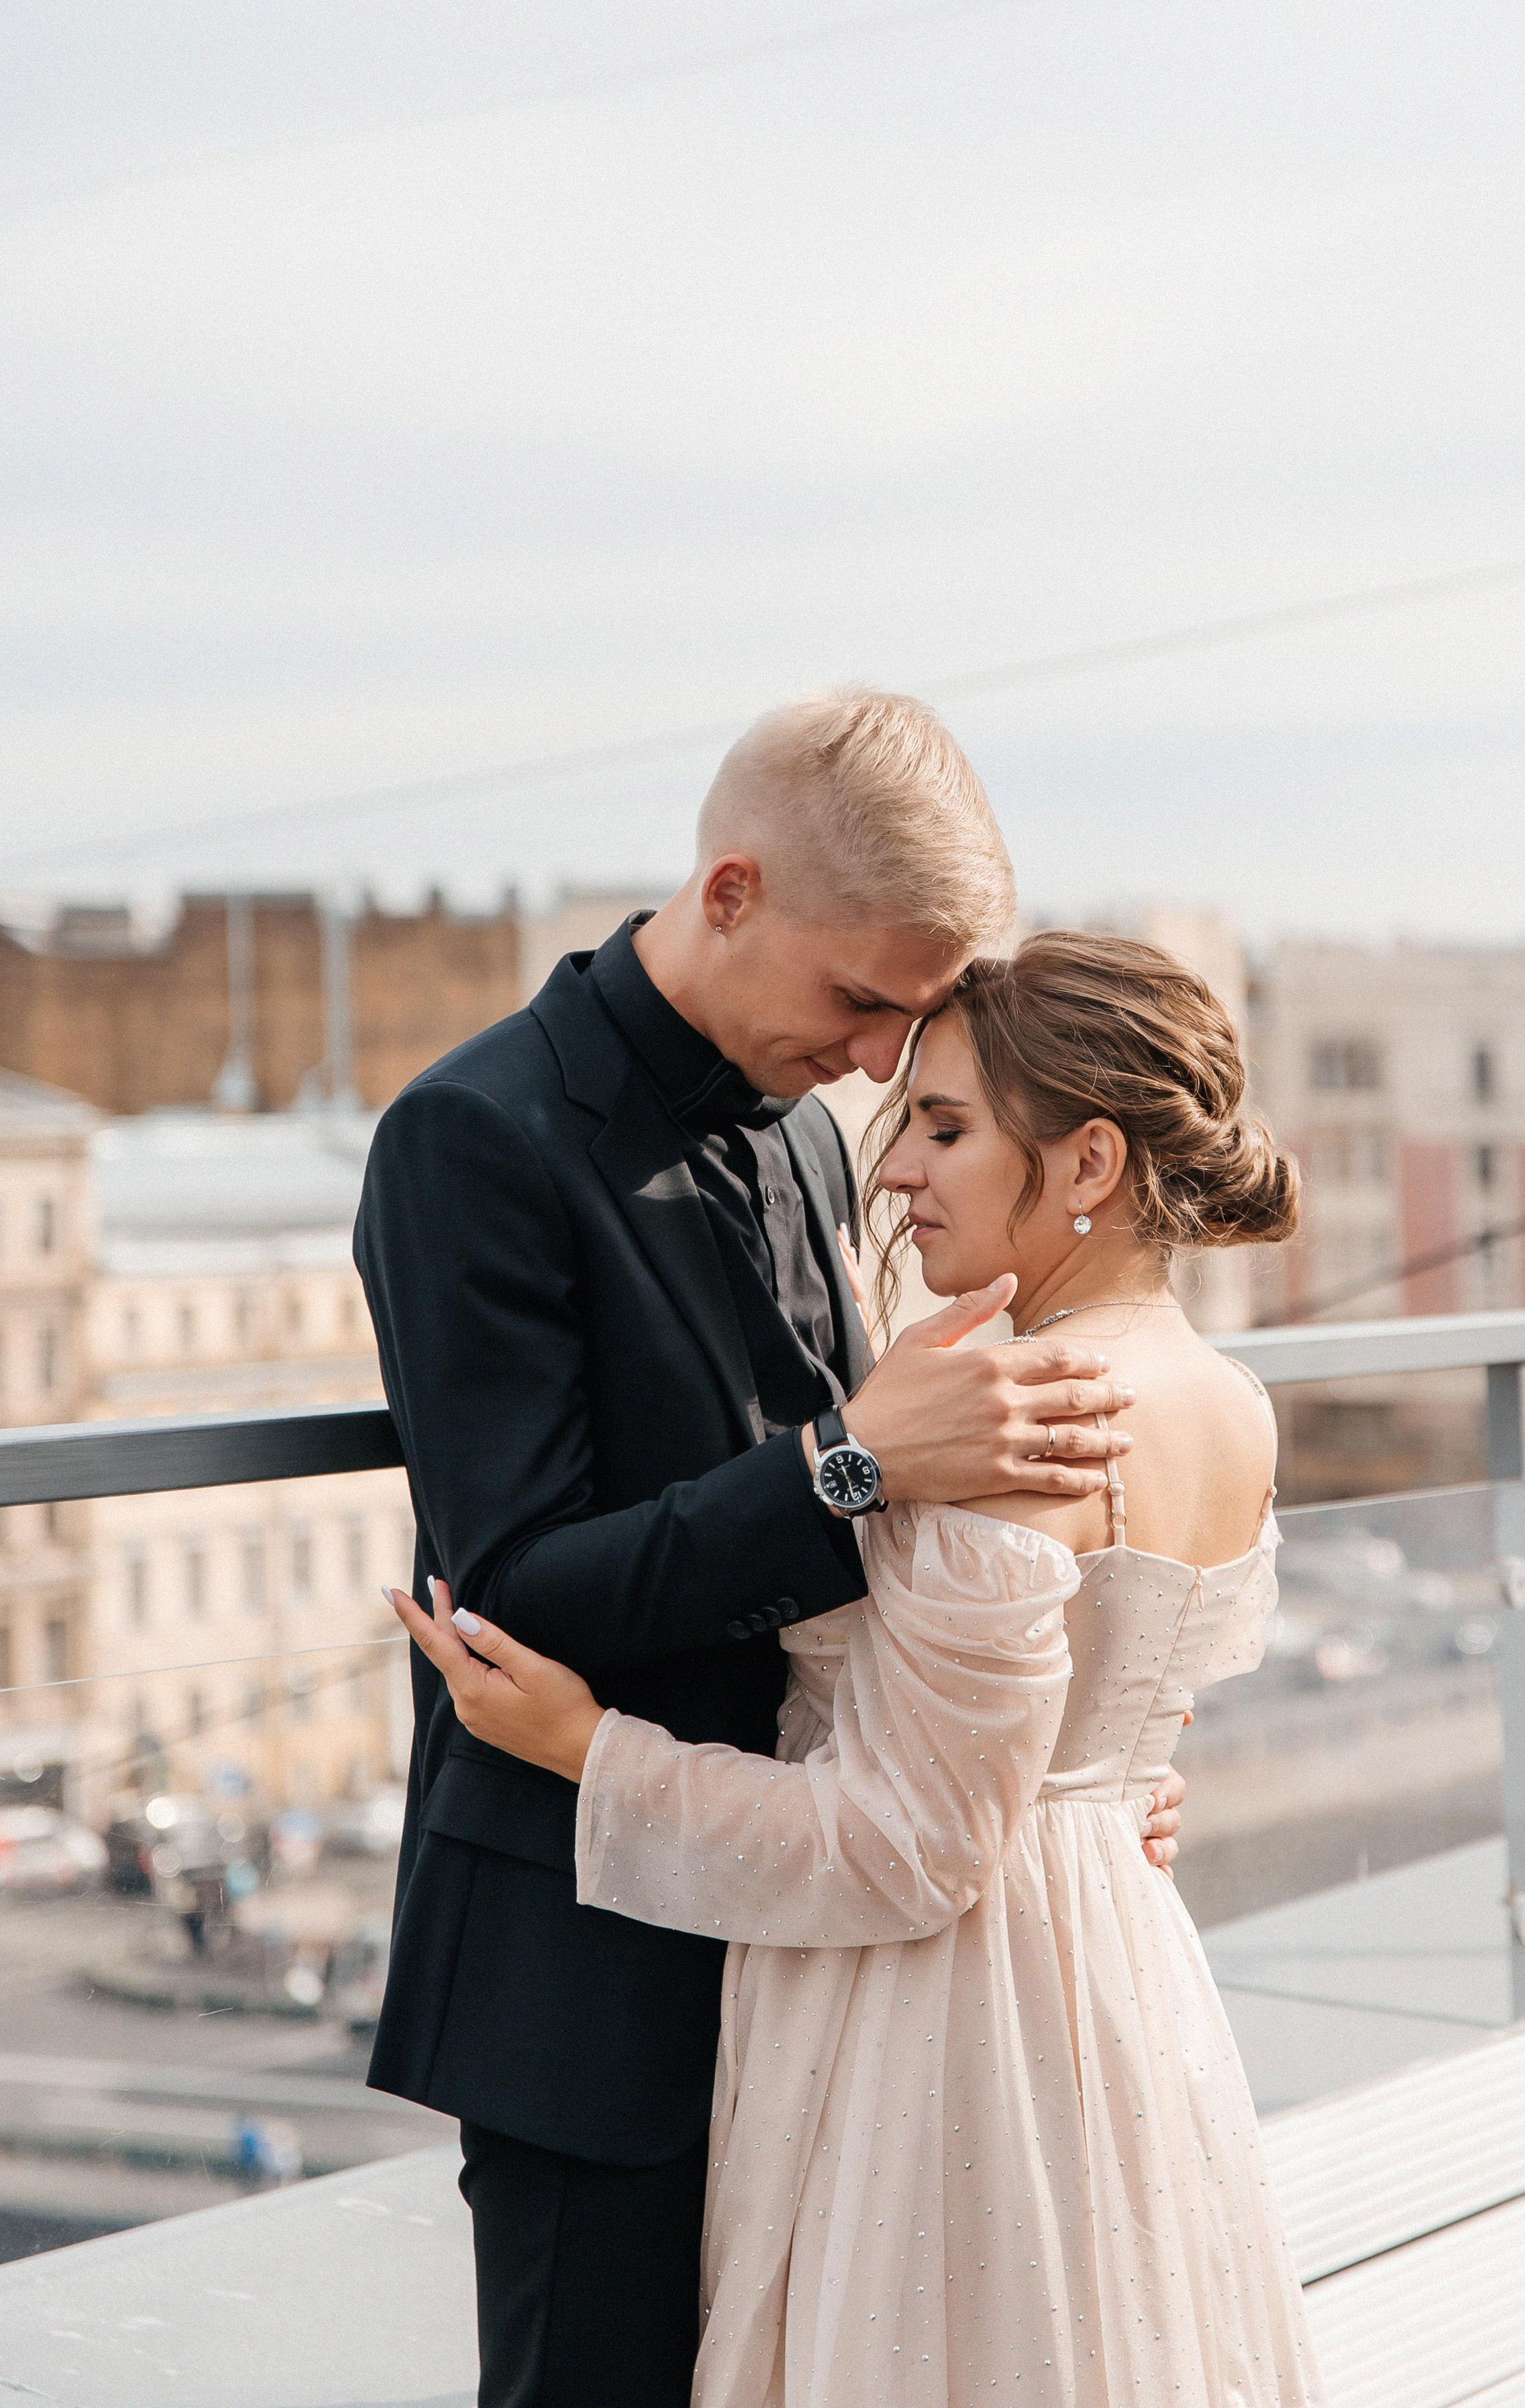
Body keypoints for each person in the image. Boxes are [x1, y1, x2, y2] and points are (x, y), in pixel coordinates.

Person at [355, 693, 1178, 2408]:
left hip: (826, 1940)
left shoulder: (803, 1126)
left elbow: (869, 1551)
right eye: (861, 999)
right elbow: (515, 1584)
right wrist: (850, 1457)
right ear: (728, 890)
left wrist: (1057, 1770)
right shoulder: (468, 1136)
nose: (884, 1062)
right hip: (588, 1964)